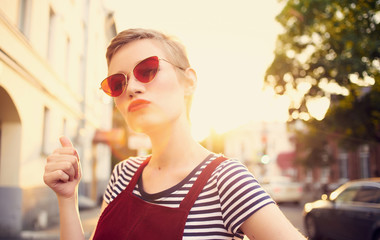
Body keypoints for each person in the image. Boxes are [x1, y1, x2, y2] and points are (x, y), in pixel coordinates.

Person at [43, 28, 307, 240]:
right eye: (117, 83)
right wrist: (68, 199)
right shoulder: (123, 174)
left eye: (147, 70)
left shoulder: (225, 180)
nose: (131, 88)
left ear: (189, 81)